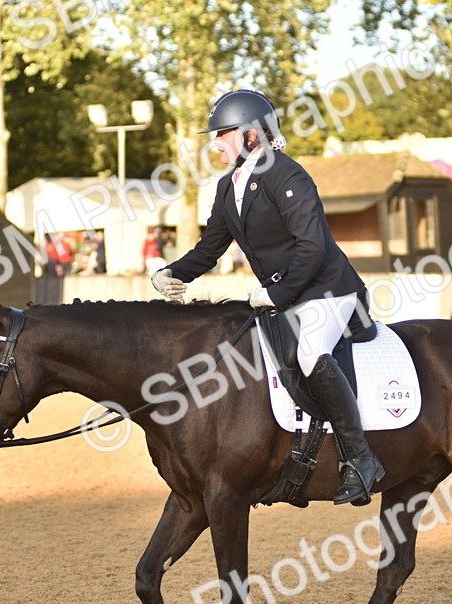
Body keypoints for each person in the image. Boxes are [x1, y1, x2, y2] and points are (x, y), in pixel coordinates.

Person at [150, 89, 384, 505]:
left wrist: (275, 293)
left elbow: (311, 247)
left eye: (223, 133)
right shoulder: (228, 188)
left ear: (251, 136)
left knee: (311, 353)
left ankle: (361, 459)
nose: (216, 142)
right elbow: (210, 248)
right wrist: (172, 272)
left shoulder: (287, 175)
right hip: (286, 297)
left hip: (327, 290)